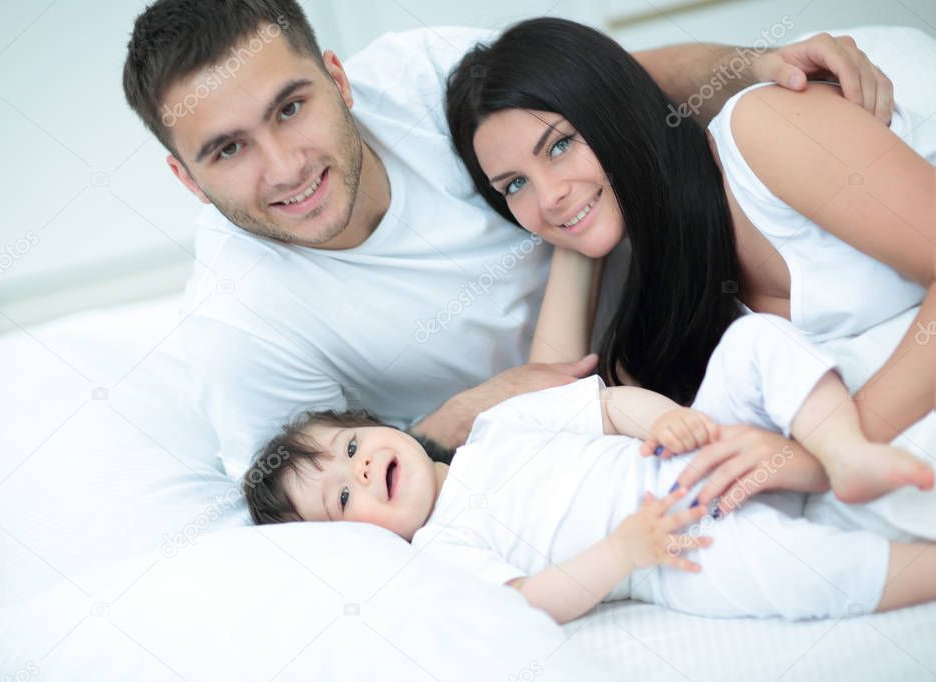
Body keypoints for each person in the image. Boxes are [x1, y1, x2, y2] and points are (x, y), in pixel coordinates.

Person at [122, 0, 898, 483]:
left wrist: (749, 64)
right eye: (227, 150)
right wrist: (440, 431)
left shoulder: (423, 74)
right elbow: (303, 500)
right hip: (627, 372)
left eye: (290, 108)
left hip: (679, 263)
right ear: (186, 179)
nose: (285, 167)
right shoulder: (241, 329)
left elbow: (602, 84)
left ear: (338, 79)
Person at [445, 17, 936, 503]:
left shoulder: (763, 129)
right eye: (514, 184)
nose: (547, 195)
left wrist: (823, 451)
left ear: (617, 111)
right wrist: (572, 241)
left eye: (560, 144)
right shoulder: (660, 310)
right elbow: (553, 431)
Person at [243, 314, 935, 624]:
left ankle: (843, 453)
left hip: (701, 451)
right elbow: (529, 600)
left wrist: (660, 418)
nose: (359, 470)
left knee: (751, 340)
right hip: (671, 549)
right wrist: (622, 552)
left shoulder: (496, 426)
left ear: (382, 427)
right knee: (796, 575)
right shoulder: (441, 553)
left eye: (352, 447)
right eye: (340, 494)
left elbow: (606, 407)